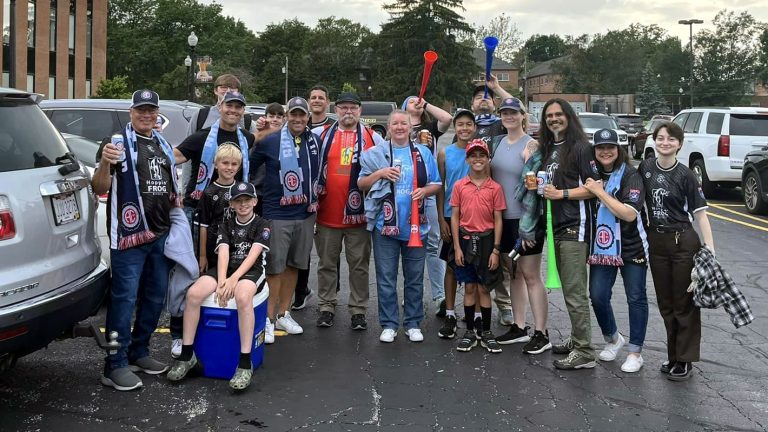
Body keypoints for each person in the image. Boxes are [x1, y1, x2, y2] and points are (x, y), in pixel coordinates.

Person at [91, 89, 179, 391]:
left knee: (155, 298)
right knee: (124, 299)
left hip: (159, 234)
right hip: (128, 237)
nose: (146, 115)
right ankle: (114, 365)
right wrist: (104, 163)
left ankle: (139, 352)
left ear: (157, 114)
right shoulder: (115, 144)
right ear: (131, 113)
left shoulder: (162, 143)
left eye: (151, 110)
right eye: (140, 110)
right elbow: (98, 186)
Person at [171, 91, 255, 358]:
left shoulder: (248, 139)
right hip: (200, 215)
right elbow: (171, 157)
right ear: (220, 107)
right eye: (229, 105)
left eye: (238, 107)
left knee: (224, 272)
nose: (233, 110)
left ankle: (212, 330)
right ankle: (177, 334)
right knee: (190, 273)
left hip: (232, 219)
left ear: (242, 112)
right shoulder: (201, 137)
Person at [167, 181, 270, 391]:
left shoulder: (262, 224)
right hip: (227, 269)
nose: (243, 205)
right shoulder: (226, 224)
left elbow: (253, 256)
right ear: (231, 204)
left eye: (247, 200)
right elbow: (223, 252)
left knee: (242, 297)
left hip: (251, 271)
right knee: (194, 294)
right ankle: (187, 355)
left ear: (255, 201)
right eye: (238, 201)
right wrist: (222, 281)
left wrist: (233, 281)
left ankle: (244, 362)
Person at [638, 121, 714, 381]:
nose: (665, 143)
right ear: (654, 141)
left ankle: (685, 359)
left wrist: (710, 249)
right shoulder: (646, 167)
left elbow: (700, 215)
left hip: (683, 243)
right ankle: (673, 356)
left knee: (684, 304)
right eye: (660, 138)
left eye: (671, 139)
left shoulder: (686, 175)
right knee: (666, 303)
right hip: (656, 243)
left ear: (680, 144)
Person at [358, 110, 441, 343]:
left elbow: (436, 182)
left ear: (410, 127)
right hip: (385, 227)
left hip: (417, 226)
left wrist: (425, 191)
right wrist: (380, 173)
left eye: (403, 123)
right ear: (389, 126)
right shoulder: (376, 154)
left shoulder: (423, 152)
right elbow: (361, 183)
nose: (399, 127)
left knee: (414, 277)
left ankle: (413, 322)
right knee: (386, 277)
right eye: (394, 123)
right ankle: (389, 324)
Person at [250, 96, 321, 343]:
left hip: (305, 212)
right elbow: (250, 168)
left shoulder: (315, 141)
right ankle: (268, 319)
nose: (298, 119)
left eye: (302, 115)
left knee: (294, 265)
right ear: (287, 115)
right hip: (277, 213)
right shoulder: (270, 142)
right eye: (294, 114)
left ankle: (283, 313)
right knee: (274, 267)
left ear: (308, 117)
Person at [313, 92, 386, 329]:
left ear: (360, 111)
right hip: (327, 214)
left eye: (353, 108)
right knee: (326, 264)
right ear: (336, 110)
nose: (348, 112)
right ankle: (326, 305)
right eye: (343, 107)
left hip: (359, 217)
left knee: (359, 266)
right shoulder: (321, 135)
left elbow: (392, 159)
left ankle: (358, 309)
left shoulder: (373, 137)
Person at [539, 98, 600, 370]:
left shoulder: (581, 148)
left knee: (575, 292)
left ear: (569, 117)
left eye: (558, 114)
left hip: (576, 225)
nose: (554, 119)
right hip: (556, 226)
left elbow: (595, 187)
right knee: (568, 289)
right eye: (549, 115)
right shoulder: (551, 148)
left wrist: (561, 194)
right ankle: (577, 340)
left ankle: (585, 351)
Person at [583, 128, 649, 373]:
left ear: (618, 149)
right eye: (601, 148)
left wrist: (599, 192)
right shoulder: (590, 173)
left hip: (632, 246)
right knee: (598, 295)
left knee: (636, 298)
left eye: (610, 147)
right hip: (603, 247)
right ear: (595, 151)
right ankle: (613, 337)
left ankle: (635, 352)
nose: (606, 151)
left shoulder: (631, 175)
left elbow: (629, 214)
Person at [489, 97, 551, 354]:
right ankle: (519, 326)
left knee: (531, 274)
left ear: (523, 116)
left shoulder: (532, 144)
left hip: (526, 219)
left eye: (513, 113)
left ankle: (541, 332)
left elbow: (535, 184)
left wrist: (530, 161)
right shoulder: (499, 142)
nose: (509, 116)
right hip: (504, 218)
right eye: (504, 112)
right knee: (513, 273)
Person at [450, 139, 506, 353]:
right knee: (470, 287)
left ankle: (486, 331)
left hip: (487, 242)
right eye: (473, 155)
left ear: (488, 158)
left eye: (482, 155)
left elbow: (498, 219)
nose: (478, 159)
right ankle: (470, 331)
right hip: (465, 240)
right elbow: (455, 217)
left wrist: (496, 250)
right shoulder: (459, 186)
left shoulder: (495, 188)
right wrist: (456, 247)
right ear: (467, 159)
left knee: (484, 287)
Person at [402, 96, 452, 317]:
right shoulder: (400, 127)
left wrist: (427, 104)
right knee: (408, 245)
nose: (416, 102)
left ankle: (439, 296)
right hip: (403, 192)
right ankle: (412, 294)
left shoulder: (430, 127)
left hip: (429, 192)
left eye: (418, 100)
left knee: (432, 244)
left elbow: (447, 118)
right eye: (411, 101)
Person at [293, 85, 336, 312]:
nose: (317, 100)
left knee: (328, 249)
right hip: (301, 196)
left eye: (321, 97)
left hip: (327, 195)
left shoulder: (334, 127)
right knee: (303, 247)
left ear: (327, 102)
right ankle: (301, 290)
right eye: (313, 97)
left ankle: (331, 293)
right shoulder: (299, 124)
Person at [436, 109, 474, 339]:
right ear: (455, 127)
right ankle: (450, 312)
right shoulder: (445, 153)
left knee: (474, 269)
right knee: (451, 266)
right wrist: (441, 219)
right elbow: (440, 187)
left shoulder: (480, 153)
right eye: (460, 124)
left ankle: (476, 315)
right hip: (451, 216)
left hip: (476, 218)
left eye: (469, 124)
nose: (465, 128)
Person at [196, 144, 243, 274]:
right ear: (216, 164)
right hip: (214, 246)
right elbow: (203, 226)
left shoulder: (242, 190)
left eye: (234, 164)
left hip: (238, 246)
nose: (229, 167)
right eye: (225, 163)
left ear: (238, 167)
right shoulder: (209, 192)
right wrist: (202, 256)